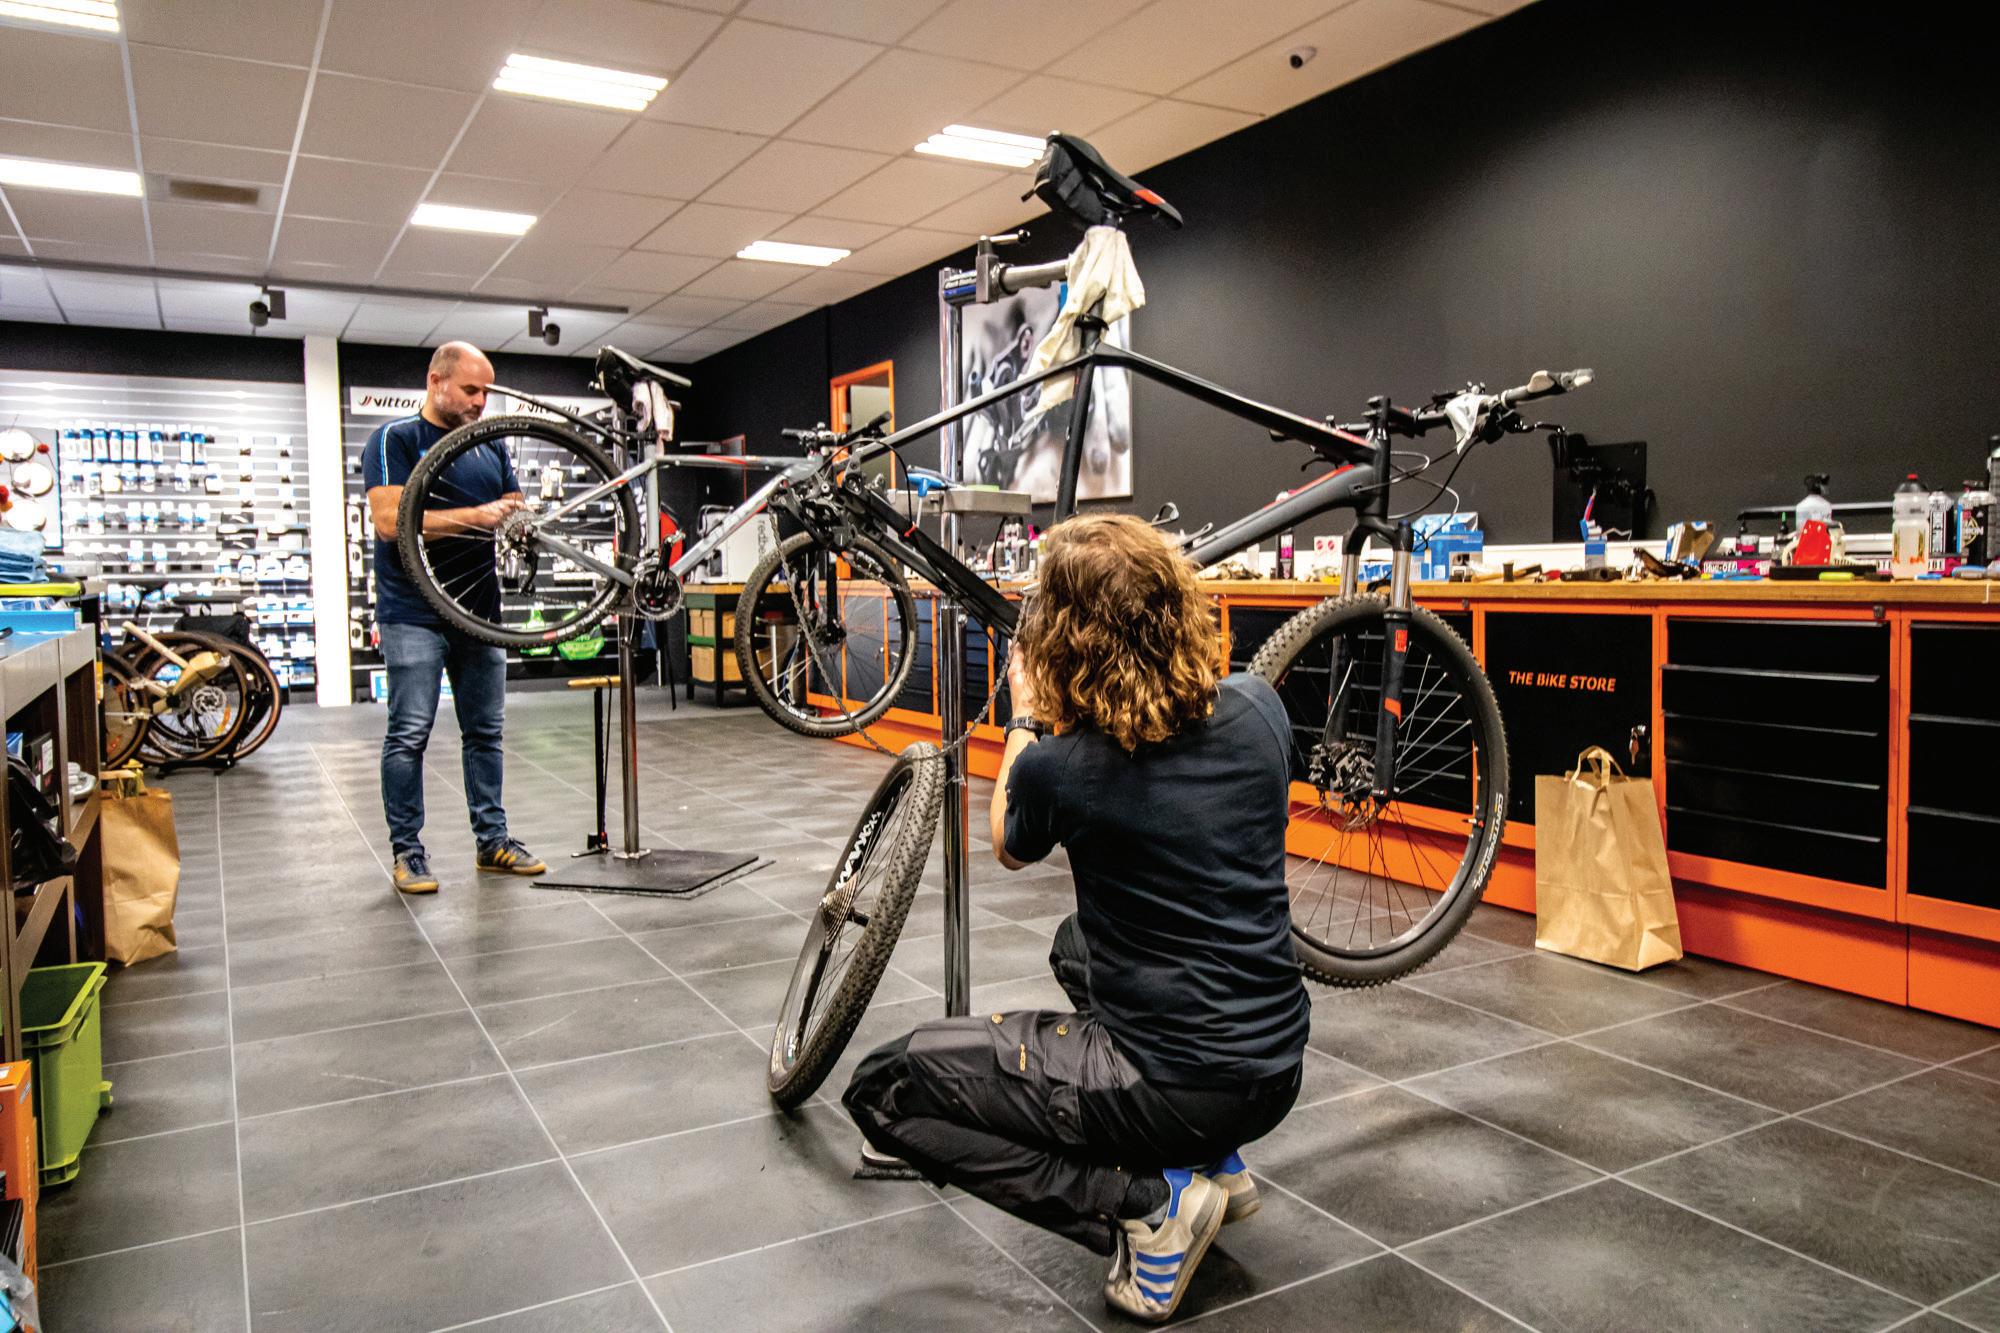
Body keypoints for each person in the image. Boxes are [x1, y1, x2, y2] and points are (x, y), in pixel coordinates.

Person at [843, 513, 1309, 1324]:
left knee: (885, 1090)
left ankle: (1148, 1204)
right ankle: (1217, 1163)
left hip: (1170, 1082)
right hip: (1275, 1066)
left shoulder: (1065, 769)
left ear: (1064, 641)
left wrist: (1025, 714)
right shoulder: (1259, 705)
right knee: (1075, 945)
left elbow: (1007, 844)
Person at [362, 341, 545, 894]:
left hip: (479, 612)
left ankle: (493, 842)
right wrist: (478, 517)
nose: (480, 401)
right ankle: (408, 853)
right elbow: (390, 521)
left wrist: (521, 520)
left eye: (486, 391)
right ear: (435, 381)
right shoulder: (395, 439)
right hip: (412, 611)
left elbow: (513, 511)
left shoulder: (490, 447)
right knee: (409, 733)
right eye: (470, 389)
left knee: (485, 733)